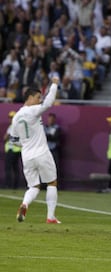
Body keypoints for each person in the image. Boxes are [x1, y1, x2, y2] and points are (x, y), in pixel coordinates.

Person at [10, 77, 61, 224]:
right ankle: (50, 217)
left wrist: (26, 144)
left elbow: (13, 140)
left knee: (33, 186)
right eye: (38, 97)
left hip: (27, 156)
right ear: (30, 97)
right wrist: (54, 85)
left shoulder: (16, 117)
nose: (40, 100)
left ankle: (25, 204)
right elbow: (49, 103)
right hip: (42, 153)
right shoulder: (32, 110)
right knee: (51, 182)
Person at [3, 111, 22, 189]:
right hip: (15, 149)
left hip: (13, 149)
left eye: (12, 117)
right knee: (15, 168)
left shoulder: (14, 127)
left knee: (10, 168)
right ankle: (14, 185)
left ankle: (9, 185)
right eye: (10, 117)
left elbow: (6, 138)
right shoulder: (16, 126)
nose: (11, 119)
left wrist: (8, 138)